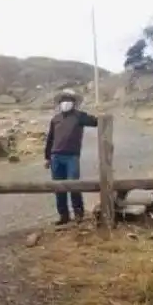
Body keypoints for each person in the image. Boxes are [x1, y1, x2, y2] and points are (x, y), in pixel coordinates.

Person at [43, 90, 98, 225]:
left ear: (74, 103)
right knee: (58, 188)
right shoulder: (55, 119)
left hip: (71, 157)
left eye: (68, 101)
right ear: (60, 104)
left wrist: (100, 115)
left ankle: (79, 214)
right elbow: (50, 139)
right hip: (56, 156)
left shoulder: (80, 116)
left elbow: (96, 122)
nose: (65, 103)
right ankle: (63, 216)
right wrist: (47, 157)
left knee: (74, 185)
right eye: (63, 101)